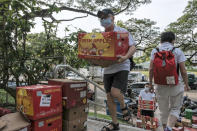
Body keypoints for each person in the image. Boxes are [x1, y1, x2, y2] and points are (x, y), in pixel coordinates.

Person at [97, 9, 136, 131]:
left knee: (115, 92)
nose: (103, 20)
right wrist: (99, 62)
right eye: (101, 19)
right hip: (108, 69)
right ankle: (114, 124)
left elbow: (133, 47)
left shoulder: (122, 32)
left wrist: (125, 57)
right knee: (109, 97)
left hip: (122, 66)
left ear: (113, 17)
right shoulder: (101, 36)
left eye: (105, 17)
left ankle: (124, 108)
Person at [149, 31, 190, 131]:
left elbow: (150, 69)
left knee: (163, 110)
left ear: (161, 40)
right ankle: (169, 128)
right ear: (173, 40)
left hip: (160, 85)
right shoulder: (177, 51)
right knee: (175, 108)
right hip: (175, 85)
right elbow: (183, 71)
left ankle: (164, 128)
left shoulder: (155, 51)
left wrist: (150, 84)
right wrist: (186, 84)